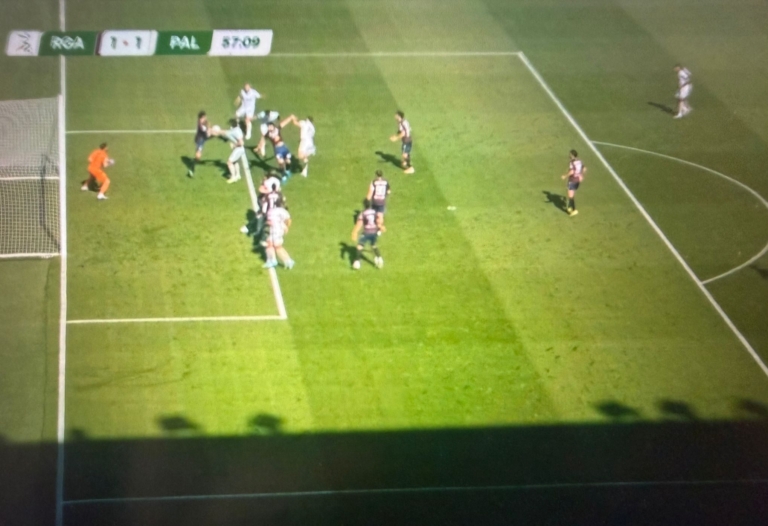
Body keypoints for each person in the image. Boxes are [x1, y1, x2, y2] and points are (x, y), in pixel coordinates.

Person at [351, 200, 385, 269]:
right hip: (374, 232)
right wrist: (381, 227)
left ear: (364, 205)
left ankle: (357, 262)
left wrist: (354, 232)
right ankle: (379, 258)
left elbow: (359, 224)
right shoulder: (374, 212)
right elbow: (378, 220)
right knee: (373, 245)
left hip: (367, 232)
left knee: (359, 246)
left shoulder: (363, 213)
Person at [213, 119, 245, 184]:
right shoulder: (237, 130)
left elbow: (241, 143)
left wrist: (234, 145)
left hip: (238, 149)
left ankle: (233, 177)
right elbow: (227, 132)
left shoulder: (235, 131)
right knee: (235, 162)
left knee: (229, 162)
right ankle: (238, 175)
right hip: (240, 149)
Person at [263, 204, 295, 270]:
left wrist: (265, 223)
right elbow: (288, 220)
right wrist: (286, 227)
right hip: (279, 230)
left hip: (275, 230)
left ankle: (286, 261)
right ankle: (273, 260)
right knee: (271, 244)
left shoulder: (271, 211)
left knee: (276, 246)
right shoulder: (282, 211)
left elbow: (271, 222)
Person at [264, 117, 295, 181]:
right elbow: (262, 140)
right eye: (268, 127)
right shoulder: (267, 134)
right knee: (281, 162)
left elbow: (284, 123)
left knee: (288, 161)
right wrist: (261, 148)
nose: (270, 128)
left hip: (284, 147)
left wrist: (290, 118)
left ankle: (287, 171)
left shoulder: (277, 129)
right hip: (278, 150)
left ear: (273, 126)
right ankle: (283, 175)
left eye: (271, 126)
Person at [560, 150, 585, 217]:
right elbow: (584, 168)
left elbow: (572, 171)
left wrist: (565, 176)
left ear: (572, 155)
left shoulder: (572, 163)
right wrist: (581, 175)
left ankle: (574, 210)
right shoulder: (579, 161)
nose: (569, 156)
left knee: (570, 196)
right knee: (571, 194)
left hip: (572, 180)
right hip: (577, 181)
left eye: (570, 155)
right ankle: (570, 207)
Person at [189, 110, 210, 177]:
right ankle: (192, 167)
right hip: (200, 140)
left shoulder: (203, 122)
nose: (206, 118)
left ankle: (223, 138)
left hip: (202, 138)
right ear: (201, 117)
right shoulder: (200, 124)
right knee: (198, 156)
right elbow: (206, 131)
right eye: (204, 117)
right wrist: (209, 128)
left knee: (198, 155)